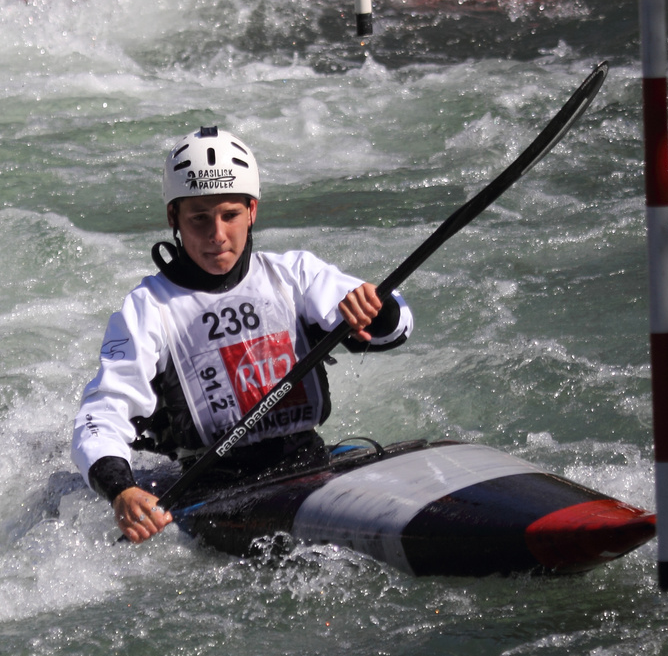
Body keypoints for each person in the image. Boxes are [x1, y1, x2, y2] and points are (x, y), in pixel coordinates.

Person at [71, 127, 413, 544]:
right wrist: (121, 490)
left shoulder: (295, 275)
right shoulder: (148, 308)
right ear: (173, 218)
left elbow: (395, 321)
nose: (217, 235)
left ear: (252, 211)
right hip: (213, 488)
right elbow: (104, 409)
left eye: (230, 215)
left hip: (309, 462)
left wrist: (374, 312)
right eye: (199, 218)